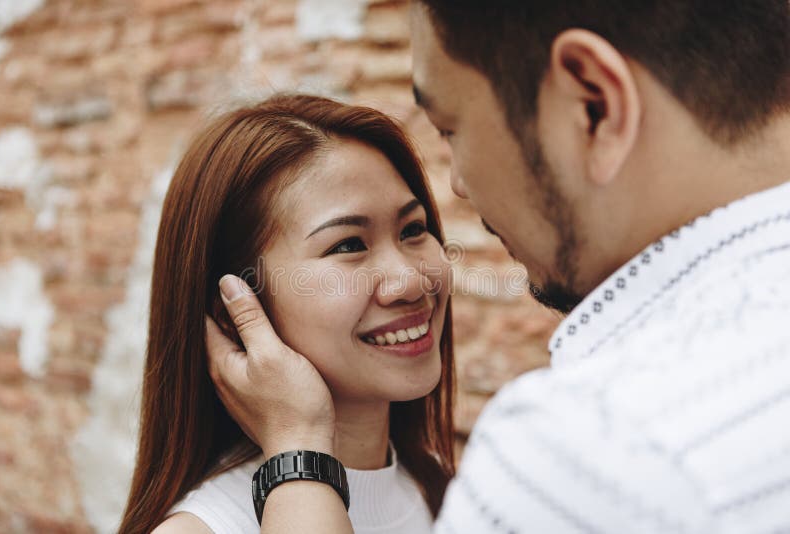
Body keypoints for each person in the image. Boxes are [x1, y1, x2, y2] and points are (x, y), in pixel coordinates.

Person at [207, 0, 790, 532]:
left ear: (594, 103)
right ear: (238, 301)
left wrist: (297, 454)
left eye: (452, 129)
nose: (458, 184)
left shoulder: (591, 450)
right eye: (346, 246)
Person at [118, 94, 458, 534]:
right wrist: (299, 441)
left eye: (413, 230)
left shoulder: (443, 489)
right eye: (348, 245)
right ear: (234, 312)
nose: (411, 282)